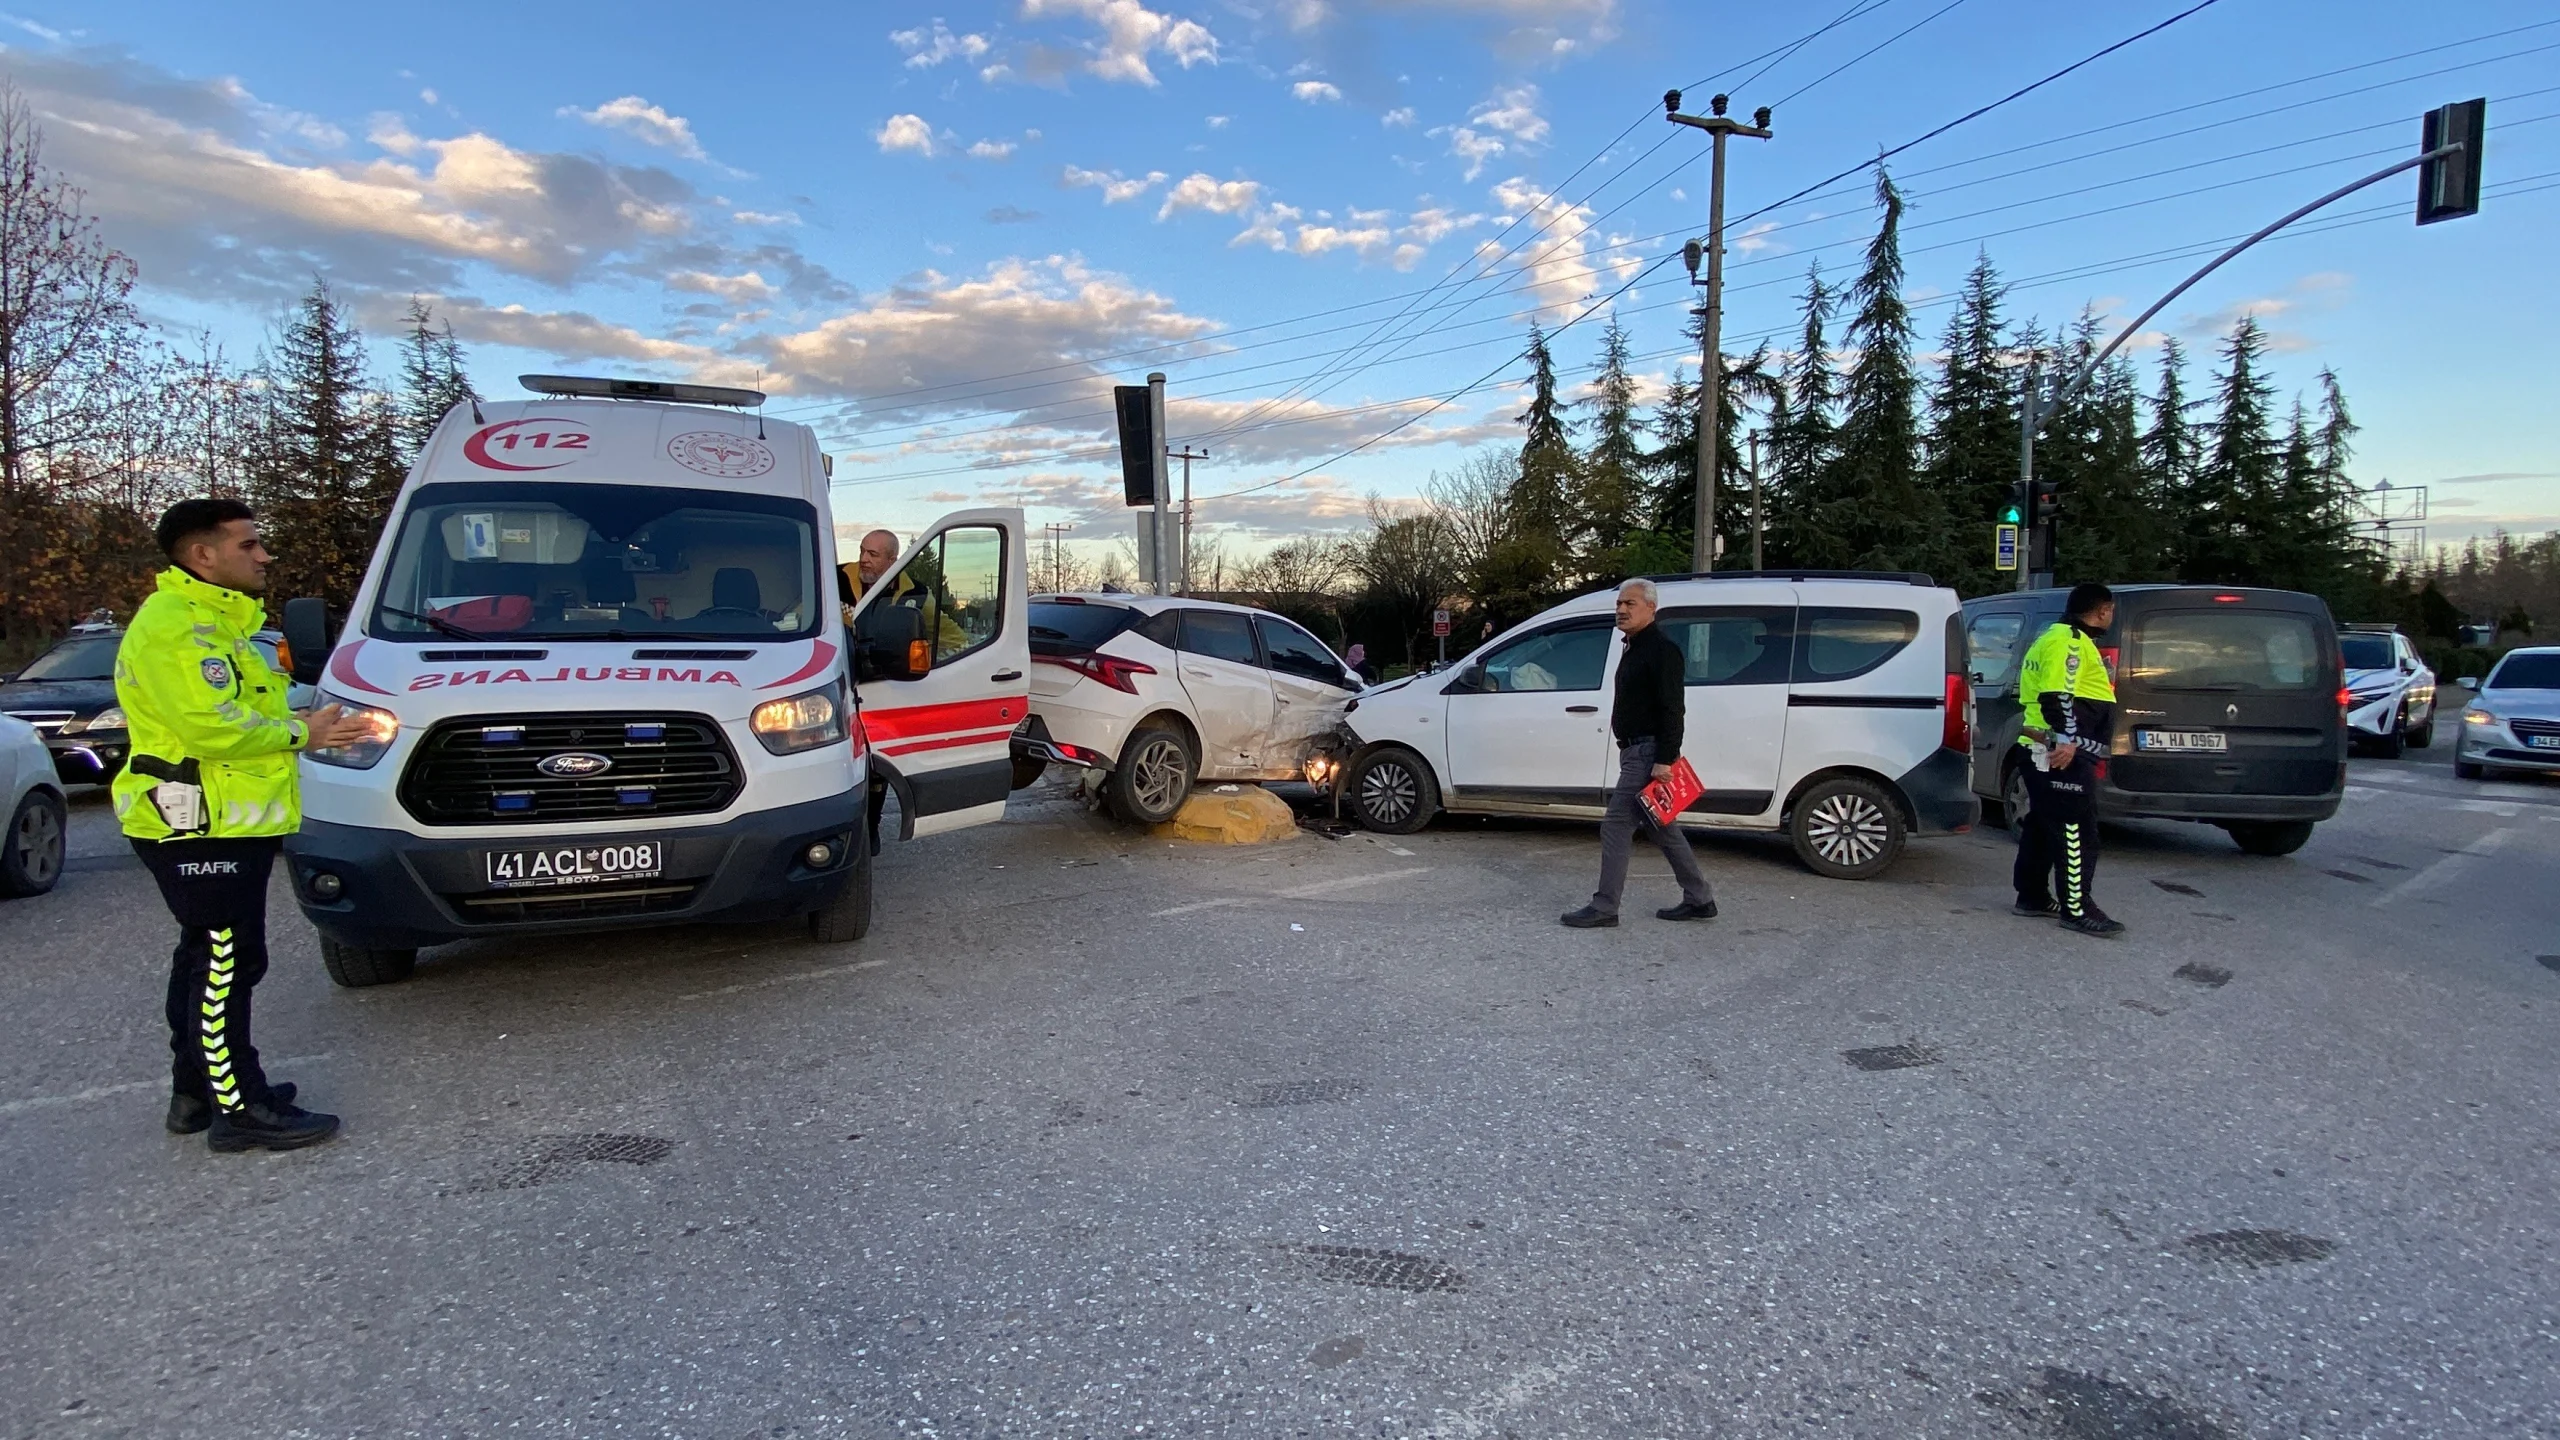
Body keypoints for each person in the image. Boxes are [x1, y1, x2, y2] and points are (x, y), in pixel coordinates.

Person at [116, 499, 371, 1151]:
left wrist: (316, 722)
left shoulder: (218, 624)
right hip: (199, 823)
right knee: (225, 962)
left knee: (208, 956)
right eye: (249, 545)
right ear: (203, 555)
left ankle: (197, 1092)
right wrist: (301, 731)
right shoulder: (177, 628)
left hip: (228, 821)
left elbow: (248, 705)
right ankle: (241, 1109)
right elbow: (210, 726)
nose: (263, 556)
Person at [1561, 578, 1717, 928]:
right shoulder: (1633, 647)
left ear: (1651, 608)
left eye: (1630, 604)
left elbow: (1673, 709)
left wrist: (1665, 757)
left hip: (1648, 753)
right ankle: (1700, 898)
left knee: (1615, 825)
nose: (1621, 609)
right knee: (1661, 827)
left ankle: (1605, 906)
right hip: (1634, 751)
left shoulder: (1661, 649)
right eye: (1619, 604)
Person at [2013, 581, 2126, 938]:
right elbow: (2057, 694)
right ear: (2103, 610)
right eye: (2111, 611)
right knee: (2077, 830)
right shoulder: (2070, 643)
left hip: (2043, 747)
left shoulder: (2053, 636)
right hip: (2061, 751)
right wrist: (2067, 739)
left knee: (2044, 823)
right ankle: (2077, 909)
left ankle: (2031, 895)